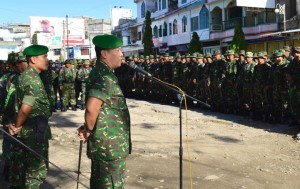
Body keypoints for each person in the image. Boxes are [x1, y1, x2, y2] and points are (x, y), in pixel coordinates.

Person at [78, 34, 131, 189]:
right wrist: (88, 129)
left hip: (107, 146)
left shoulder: (104, 74)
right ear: (105, 53)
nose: (122, 54)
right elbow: (92, 107)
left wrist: (89, 127)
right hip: (109, 148)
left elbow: (102, 109)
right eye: (118, 50)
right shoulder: (104, 76)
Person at [7, 44, 51, 188]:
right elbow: (26, 108)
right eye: (44, 57)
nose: (47, 60)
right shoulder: (32, 79)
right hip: (34, 130)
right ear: (33, 59)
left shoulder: (28, 76)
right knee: (36, 172)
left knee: (26, 168)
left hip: (33, 128)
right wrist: (17, 126)